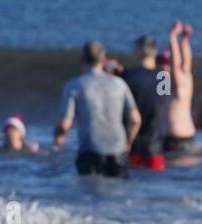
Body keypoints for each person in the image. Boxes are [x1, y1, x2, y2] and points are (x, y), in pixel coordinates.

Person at [54, 41, 141, 177]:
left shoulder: (74, 85)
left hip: (90, 149)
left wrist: (59, 134)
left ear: (81, 60)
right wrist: (128, 143)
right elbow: (135, 119)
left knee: (89, 194)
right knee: (118, 194)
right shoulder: (119, 83)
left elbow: (65, 123)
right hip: (118, 149)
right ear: (103, 60)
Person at [121, 35, 166, 170]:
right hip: (155, 145)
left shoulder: (128, 75)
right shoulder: (164, 77)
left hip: (133, 144)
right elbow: (161, 105)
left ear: (140, 50)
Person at [163, 21, 202, 158]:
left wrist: (172, 37)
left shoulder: (180, 82)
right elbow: (186, 63)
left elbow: (177, 66)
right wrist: (185, 40)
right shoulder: (168, 82)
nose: (162, 66)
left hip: (179, 141)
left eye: (164, 62)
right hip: (176, 137)